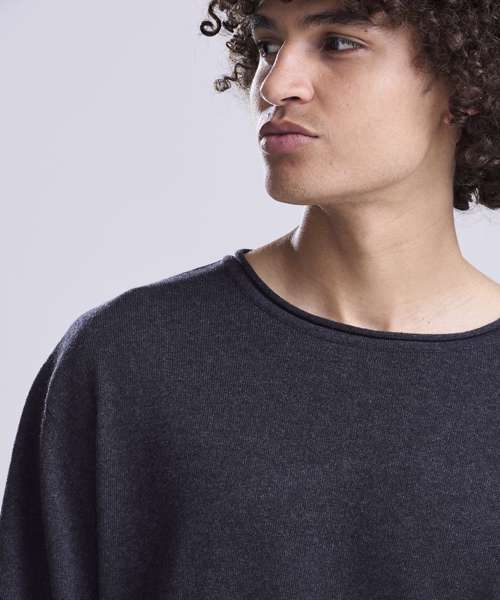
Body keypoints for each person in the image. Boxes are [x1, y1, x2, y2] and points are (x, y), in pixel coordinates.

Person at [1, 0, 500, 598]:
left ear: (466, 82)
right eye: (268, 46)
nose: (275, 84)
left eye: (338, 43)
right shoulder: (126, 359)